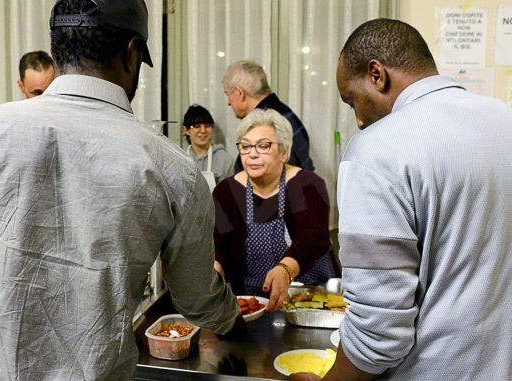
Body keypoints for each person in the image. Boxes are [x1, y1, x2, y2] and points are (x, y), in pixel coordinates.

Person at [0, 1, 245, 380]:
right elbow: (196, 297)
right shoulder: (174, 169)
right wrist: (233, 321)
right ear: (132, 53)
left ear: (58, 47)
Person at [292, 19, 512, 381]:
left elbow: (378, 335)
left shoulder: (378, 149)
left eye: (351, 100)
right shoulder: (503, 119)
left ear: (377, 74)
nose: (360, 119)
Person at [213, 109, 335, 312]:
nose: (252, 153)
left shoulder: (307, 185)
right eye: (245, 146)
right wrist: (211, 279)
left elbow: (313, 235)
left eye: (263, 146)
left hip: (307, 295)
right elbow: (220, 248)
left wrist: (285, 269)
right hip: (253, 299)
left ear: (284, 152)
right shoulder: (226, 192)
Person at [222, 60, 314, 173]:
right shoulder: (284, 113)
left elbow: (261, 180)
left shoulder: (265, 124)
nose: (228, 103)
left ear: (239, 92)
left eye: (228, 94)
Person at [182, 104, 234, 190]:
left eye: (207, 126)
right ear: (186, 130)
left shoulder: (225, 160)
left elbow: (233, 194)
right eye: (197, 126)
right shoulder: (180, 158)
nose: (203, 131)